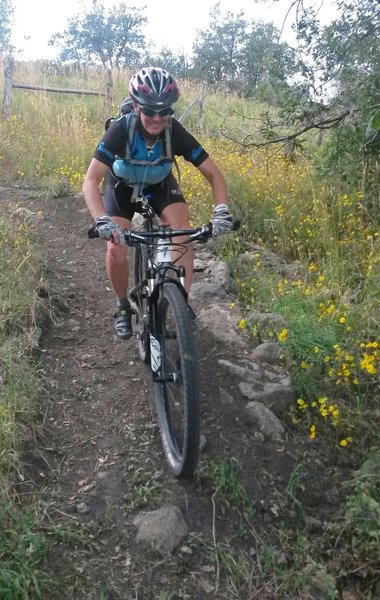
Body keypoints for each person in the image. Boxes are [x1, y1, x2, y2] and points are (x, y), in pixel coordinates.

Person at [82, 66, 234, 340]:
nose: (157, 117)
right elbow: (91, 180)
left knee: (182, 234)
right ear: (137, 107)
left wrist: (221, 210)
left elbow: (214, 174)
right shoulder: (120, 130)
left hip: (158, 183)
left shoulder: (174, 132)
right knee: (117, 246)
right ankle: (122, 307)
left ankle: (180, 303)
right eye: (149, 110)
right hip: (121, 185)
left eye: (165, 111)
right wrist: (101, 219)